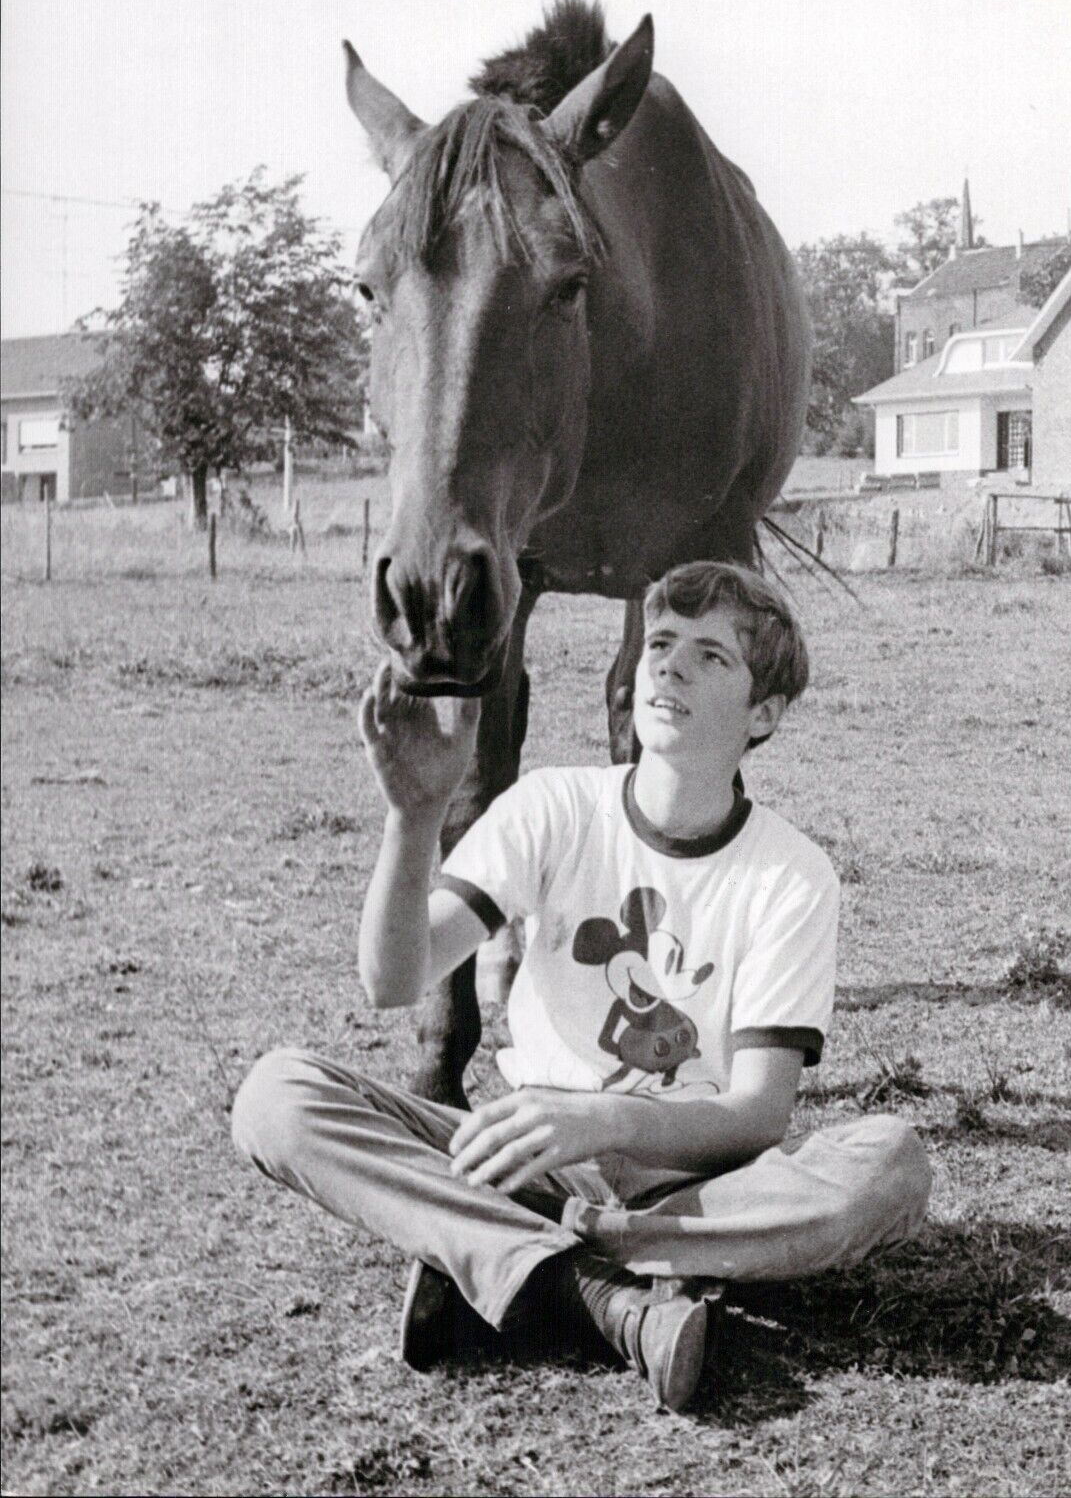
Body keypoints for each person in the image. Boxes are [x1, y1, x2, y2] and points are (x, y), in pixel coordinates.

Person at [232, 561, 931, 1412]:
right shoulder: (554, 805)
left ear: (765, 715)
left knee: (892, 1164)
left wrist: (600, 1119)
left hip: (694, 1186)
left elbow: (758, 1115)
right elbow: (392, 977)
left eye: (711, 657)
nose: (669, 665)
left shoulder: (792, 874)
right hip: (523, 1159)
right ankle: (602, 1295)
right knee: (275, 1096)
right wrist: (413, 816)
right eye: (660, 644)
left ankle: (529, 1258)